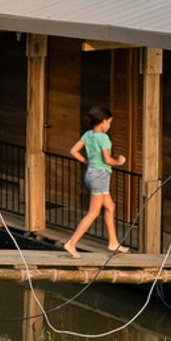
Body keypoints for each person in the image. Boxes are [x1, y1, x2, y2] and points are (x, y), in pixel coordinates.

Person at [63, 104, 127, 256]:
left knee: (110, 206)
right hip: (100, 176)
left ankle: (113, 243)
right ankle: (71, 243)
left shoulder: (88, 135)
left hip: (91, 174)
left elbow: (73, 151)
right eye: (110, 122)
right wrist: (119, 161)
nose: (109, 125)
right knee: (93, 212)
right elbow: (107, 160)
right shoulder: (103, 138)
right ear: (103, 121)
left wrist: (87, 162)